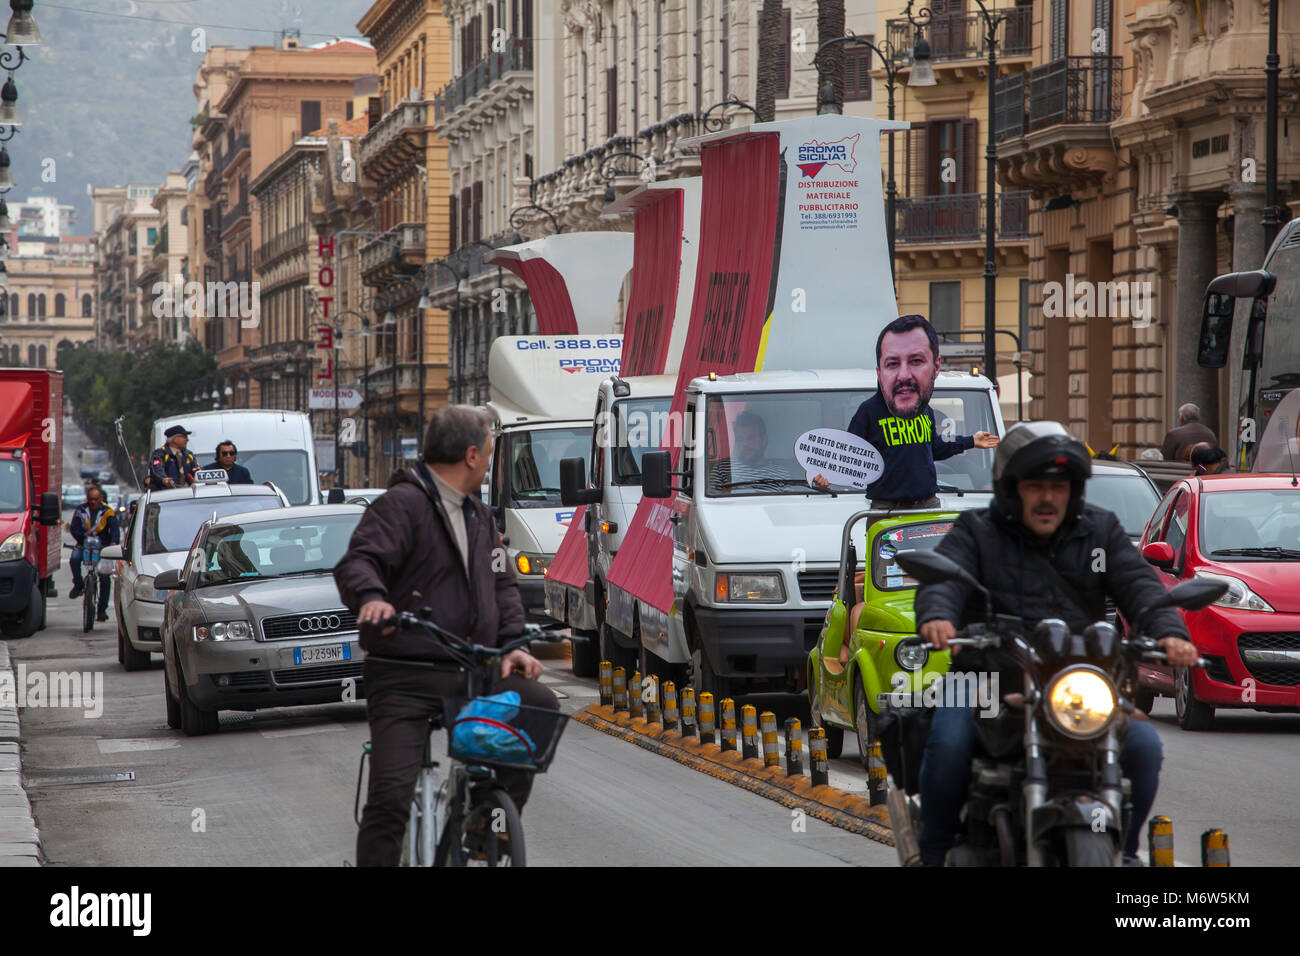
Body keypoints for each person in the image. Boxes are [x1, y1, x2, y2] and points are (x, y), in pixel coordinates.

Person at [911, 421, 1201, 867]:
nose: (1048, 498)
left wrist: (1169, 631)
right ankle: (933, 854)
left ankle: (1120, 851)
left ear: (1073, 490)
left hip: (1075, 680)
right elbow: (944, 580)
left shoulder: (1099, 531)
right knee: (948, 742)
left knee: (1144, 746)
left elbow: (1140, 585)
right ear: (1011, 488)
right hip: (987, 676)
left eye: (1059, 486)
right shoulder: (977, 531)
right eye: (1034, 486)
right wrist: (938, 617)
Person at [334, 405, 559, 867]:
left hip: (473, 673)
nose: (490, 461)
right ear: (471, 455)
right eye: (490, 451)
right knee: (391, 797)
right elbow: (358, 562)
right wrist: (373, 598)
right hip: (403, 678)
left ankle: (486, 823)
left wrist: (513, 646)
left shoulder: (478, 515)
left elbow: (502, 584)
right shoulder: (401, 505)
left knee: (538, 705)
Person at [813, 314, 999, 507]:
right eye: (893, 364)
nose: (904, 375)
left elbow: (934, 447)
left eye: (916, 361)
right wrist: (825, 477)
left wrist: (971, 441)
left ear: (936, 367)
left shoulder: (924, 410)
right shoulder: (868, 411)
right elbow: (848, 456)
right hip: (886, 509)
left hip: (927, 504)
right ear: (880, 372)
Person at [68, 484, 120, 622]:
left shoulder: (108, 512)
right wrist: (83, 536)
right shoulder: (81, 510)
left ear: (101, 498)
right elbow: (74, 528)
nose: (93, 502)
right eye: (90, 499)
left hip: (102, 547)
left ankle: (101, 610)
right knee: (74, 558)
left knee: (104, 576)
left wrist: (113, 542)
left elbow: (115, 530)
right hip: (84, 544)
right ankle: (78, 585)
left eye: (96, 499)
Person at [147, 425, 199, 490]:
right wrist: (164, 480)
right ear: (175, 439)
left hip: (187, 493)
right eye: (184, 437)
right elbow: (157, 470)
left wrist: (196, 472)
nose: (187, 440)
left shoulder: (189, 455)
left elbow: (196, 470)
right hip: (167, 494)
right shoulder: (160, 454)